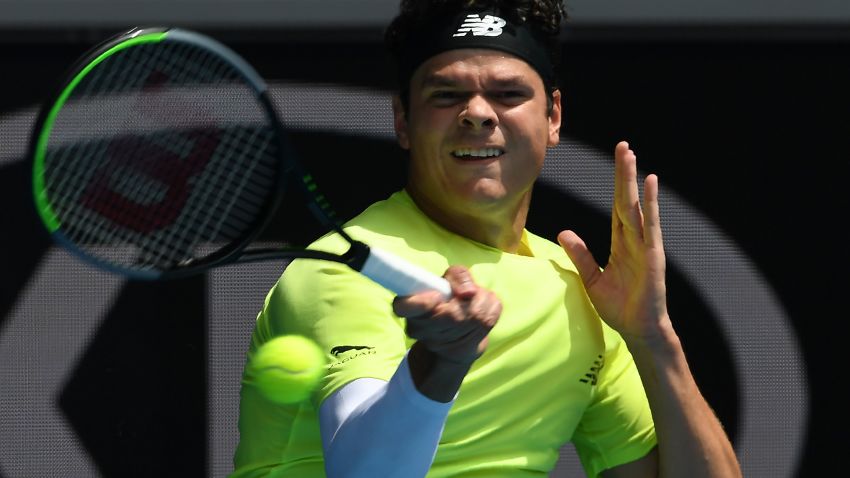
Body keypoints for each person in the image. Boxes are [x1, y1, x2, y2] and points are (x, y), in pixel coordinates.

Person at [231, 0, 743, 476]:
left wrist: (653, 339)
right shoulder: (341, 271)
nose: (477, 113)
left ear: (553, 117)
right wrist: (437, 365)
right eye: (446, 95)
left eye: (508, 93)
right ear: (403, 121)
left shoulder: (579, 292)